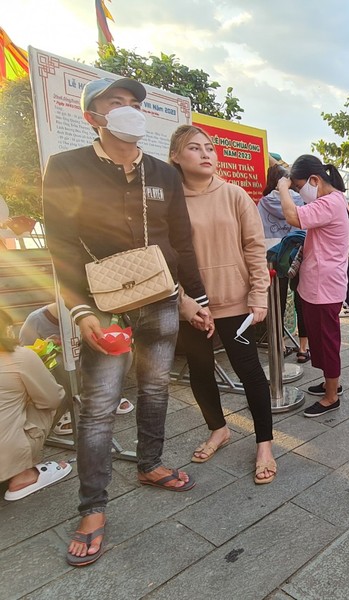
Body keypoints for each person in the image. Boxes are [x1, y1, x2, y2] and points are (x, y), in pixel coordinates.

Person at [43, 77, 211, 566]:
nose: (129, 110)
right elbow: (61, 246)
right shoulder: (67, 167)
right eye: (116, 103)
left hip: (160, 297)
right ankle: (92, 507)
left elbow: (181, 241)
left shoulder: (163, 171)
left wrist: (194, 297)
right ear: (93, 115)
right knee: (98, 406)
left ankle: (150, 463)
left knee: (156, 387)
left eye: (135, 103)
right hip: (103, 304)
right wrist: (82, 310)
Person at [168, 125, 276, 484]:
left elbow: (254, 248)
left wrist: (258, 294)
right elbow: (165, 256)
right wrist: (183, 301)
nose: (205, 154)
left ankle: (264, 443)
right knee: (200, 370)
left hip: (235, 303)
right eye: (194, 148)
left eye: (210, 148)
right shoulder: (169, 201)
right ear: (175, 157)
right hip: (192, 307)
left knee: (249, 372)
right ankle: (219, 429)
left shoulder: (234, 195)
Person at [277, 155, 349, 417]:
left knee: (327, 341)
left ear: (314, 180)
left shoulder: (330, 202)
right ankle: (332, 384)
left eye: (299, 187)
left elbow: (292, 216)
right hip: (319, 283)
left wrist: (283, 189)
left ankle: (332, 397)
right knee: (320, 340)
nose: (298, 192)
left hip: (324, 286)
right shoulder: (333, 200)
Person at [19, 304, 134, 437]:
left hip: (91, 370)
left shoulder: (93, 314)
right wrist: (46, 346)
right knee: (59, 361)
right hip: (57, 379)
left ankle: (107, 394)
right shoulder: (36, 320)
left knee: (124, 352)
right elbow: (25, 355)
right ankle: (64, 408)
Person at [0, 309, 72, 502]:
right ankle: (22, 476)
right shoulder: (20, 356)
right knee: (49, 397)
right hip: (5, 455)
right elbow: (52, 400)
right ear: (7, 329)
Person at [259, 163, 309, 363]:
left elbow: (257, 229)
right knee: (301, 300)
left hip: (272, 257)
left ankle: (279, 343)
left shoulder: (263, 202)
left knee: (276, 301)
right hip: (297, 254)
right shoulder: (299, 200)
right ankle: (304, 348)